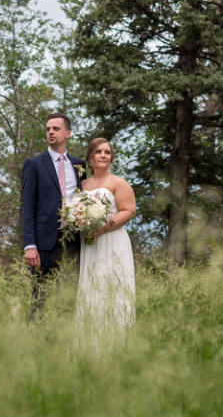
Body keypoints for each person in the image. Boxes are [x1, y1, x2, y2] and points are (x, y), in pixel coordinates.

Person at [21, 112, 86, 316]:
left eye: (55, 128)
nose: (50, 132)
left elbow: (83, 200)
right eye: (48, 128)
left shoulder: (79, 165)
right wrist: (30, 246)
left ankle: (63, 345)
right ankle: (35, 344)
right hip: (44, 244)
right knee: (40, 299)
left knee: (69, 300)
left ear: (67, 133)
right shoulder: (34, 164)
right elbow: (28, 207)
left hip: (73, 242)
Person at [77, 138, 137, 333]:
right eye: (98, 151)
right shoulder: (82, 184)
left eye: (107, 152)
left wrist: (100, 229)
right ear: (90, 157)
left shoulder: (118, 182)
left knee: (112, 287)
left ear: (111, 159)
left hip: (112, 241)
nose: (103, 155)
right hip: (88, 244)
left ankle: (116, 344)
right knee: (90, 288)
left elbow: (129, 211)